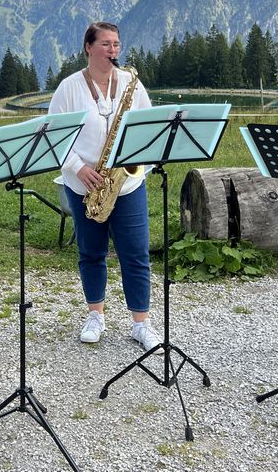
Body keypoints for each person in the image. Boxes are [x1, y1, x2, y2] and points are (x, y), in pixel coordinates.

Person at [48, 22, 161, 351]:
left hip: (126, 183)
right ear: (88, 47)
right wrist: (78, 168)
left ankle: (141, 323)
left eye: (117, 44)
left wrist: (136, 168)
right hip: (85, 183)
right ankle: (95, 315)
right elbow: (54, 136)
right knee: (91, 253)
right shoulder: (69, 88)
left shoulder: (131, 83)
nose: (113, 50)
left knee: (136, 254)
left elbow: (149, 127)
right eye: (106, 44)